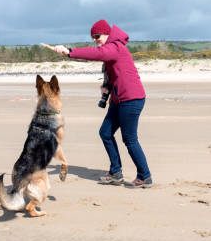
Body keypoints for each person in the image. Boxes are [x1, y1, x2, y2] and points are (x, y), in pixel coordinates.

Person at [53, 19, 153, 188]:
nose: (95, 39)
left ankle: (145, 176)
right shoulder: (112, 48)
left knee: (130, 140)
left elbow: (97, 54)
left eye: (97, 36)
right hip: (118, 99)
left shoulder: (115, 47)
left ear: (107, 34)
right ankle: (116, 173)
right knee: (105, 132)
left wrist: (69, 51)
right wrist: (107, 87)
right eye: (92, 37)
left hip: (131, 99)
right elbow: (116, 74)